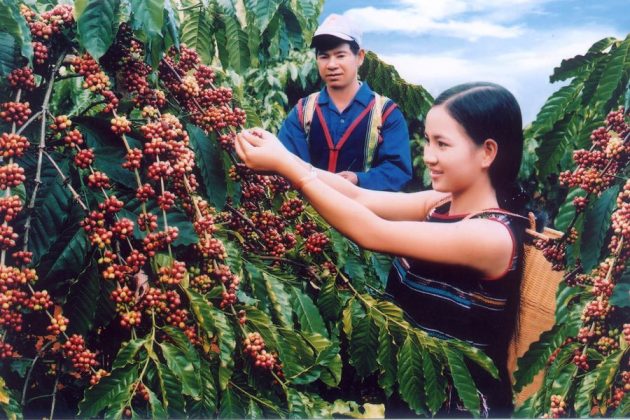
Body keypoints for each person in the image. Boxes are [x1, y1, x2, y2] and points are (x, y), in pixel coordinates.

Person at [235, 82, 528, 417]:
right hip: (416, 395)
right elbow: (358, 198)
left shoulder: (490, 235)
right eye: (428, 141)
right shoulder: (440, 204)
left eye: (443, 144)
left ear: (487, 152)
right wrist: (284, 157)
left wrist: (290, 170)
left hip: (461, 407)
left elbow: (373, 232)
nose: (428, 156)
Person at [278, 14, 412, 191]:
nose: (332, 64)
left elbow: (398, 170)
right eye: (324, 57)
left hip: (365, 214)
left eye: (340, 55)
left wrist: (359, 179)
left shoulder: (385, 113)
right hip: (309, 214)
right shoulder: (303, 111)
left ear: (360, 57)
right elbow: (285, 161)